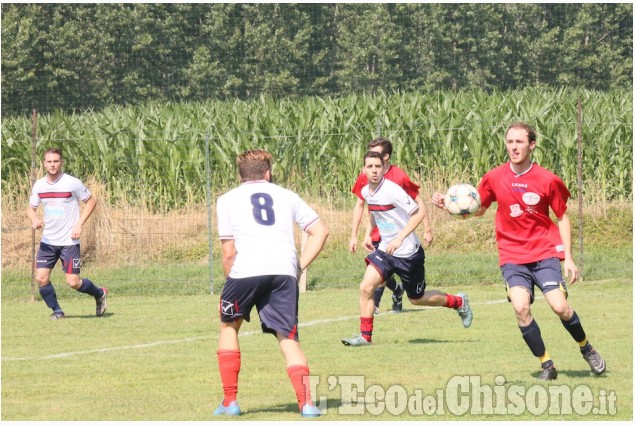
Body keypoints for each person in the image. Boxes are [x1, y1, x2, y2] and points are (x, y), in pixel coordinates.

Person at [432, 122, 606, 380]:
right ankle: (547, 364)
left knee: (560, 307)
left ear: (531, 145)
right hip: (512, 255)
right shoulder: (494, 177)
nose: (513, 147)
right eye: (510, 141)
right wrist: (449, 205)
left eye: (519, 142)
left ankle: (586, 348)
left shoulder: (548, 180)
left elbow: (563, 217)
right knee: (521, 307)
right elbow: (477, 208)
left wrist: (567, 257)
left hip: (544, 252)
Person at [214, 149, 329, 417]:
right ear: (268, 173)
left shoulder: (227, 199)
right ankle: (307, 404)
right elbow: (319, 231)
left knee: (229, 327)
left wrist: (230, 283)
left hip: (245, 271)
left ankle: (230, 402)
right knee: (288, 338)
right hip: (283, 271)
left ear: (239, 175)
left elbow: (228, 252)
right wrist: (299, 266)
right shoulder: (287, 196)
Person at [341, 151, 472, 347]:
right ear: (363, 170)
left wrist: (400, 238)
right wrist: (368, 233)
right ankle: (365, 337)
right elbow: (374, 212)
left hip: (408, 253)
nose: (374, 170)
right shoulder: (367, 191)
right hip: (385, 250)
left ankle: (458, 302)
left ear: (384, 168)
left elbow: (418, 213)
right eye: (370, 167)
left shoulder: (392, 190)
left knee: (417, 299)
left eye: (378, 166)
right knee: (366, 287)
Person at [350, 137, 432, 314]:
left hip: (403, 239)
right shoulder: (366, 179)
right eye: (369, 163)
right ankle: (375, 312)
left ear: (386, 157)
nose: (373, 165)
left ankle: (397, 291)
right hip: (380, 236)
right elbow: (364, 205)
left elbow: (417, 204)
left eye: (377, 158)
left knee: (415, 297)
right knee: (372, 280)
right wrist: (360, 234)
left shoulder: (398, 178)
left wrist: (427, 228)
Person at [27, 147, 108, 319]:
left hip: (69, 241)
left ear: (61, 162)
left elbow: (91, 201)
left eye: (56, 161)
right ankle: (57, 311)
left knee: (73, 282)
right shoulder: (39, 185)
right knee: (41, 278)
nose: (52, 165)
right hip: (48, 241)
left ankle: (99, 293)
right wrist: (34, 219)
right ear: (44, 163)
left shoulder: (72, 183)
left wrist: (79, 224)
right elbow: (31, 208)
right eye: (49, 161)